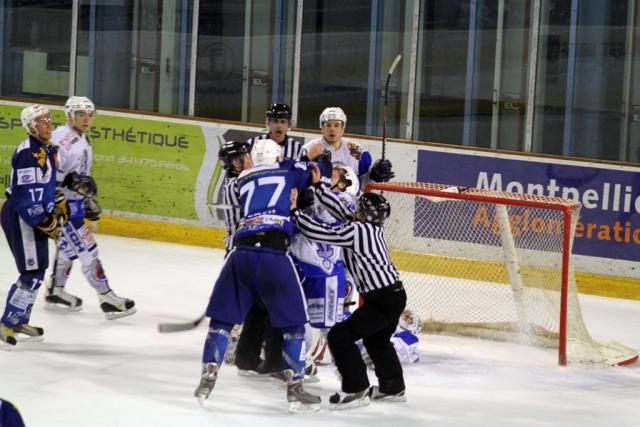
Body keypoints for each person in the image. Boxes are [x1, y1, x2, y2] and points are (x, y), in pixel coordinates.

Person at [194, 139, 330, 413]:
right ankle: (295, 389)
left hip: (240, 254)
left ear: (253, 158)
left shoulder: (240, 180)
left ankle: (208, 376)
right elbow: (316, 173)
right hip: (274, 255)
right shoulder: (287, 171)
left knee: (221, 322)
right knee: (293, 326)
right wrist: (314, 157)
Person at [291, 173, 407, 410]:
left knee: (340, 336)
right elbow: (340, 210)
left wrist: (295, 213)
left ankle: (355, 389)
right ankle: (392, 387)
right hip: (393, 295)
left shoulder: (358, 231)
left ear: (363, 214)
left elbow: (321, 233)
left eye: (359, 209)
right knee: (377, 340)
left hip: (382, 300)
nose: (354, 210)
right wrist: (319, 186)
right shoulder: (370, 228)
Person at [43, 96, 135, 320]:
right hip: (61, 206)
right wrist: (68, 183)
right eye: (80, 114)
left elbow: (78, 177)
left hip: (73, 204)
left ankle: (56, 291)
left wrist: (84, 197)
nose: (86, 119)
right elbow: (45, 173)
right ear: (69, 115)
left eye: (89, 114)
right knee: (88, 250)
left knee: (68, 249)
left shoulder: (82, 139)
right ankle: (106, 298)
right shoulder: (59, 138)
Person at [0, 105, 70, 346]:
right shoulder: (29, 152)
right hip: (22, 216)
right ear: (30, 126)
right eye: (42, 121)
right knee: (31, 272)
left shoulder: (45, 149)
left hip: (33, 216)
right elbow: (24, 194)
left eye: (49, 119)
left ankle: (18, 319)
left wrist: (57, 199)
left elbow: (44, 185)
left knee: (38, 271)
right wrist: (44, 220)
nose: (48, 124)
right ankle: (7, 323)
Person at [289, 162, 359, 380]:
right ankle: (301, 363)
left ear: (346, 182)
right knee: (296, 320)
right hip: (300, 265)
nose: (327, 177)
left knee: (332, 329)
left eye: (334, 175)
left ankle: (348, 371)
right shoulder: (315, 194)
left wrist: (314, 193)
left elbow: (327, 215)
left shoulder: (346, 200)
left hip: (325, 273)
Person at [300, 107, 395, 189]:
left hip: (348, 206)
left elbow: (363, 184)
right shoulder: (309, 149)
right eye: (328, 125)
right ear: (321, 127)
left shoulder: (357, 152)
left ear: (343, 127)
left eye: (336, 125)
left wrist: (374, 176)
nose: (332, 129)